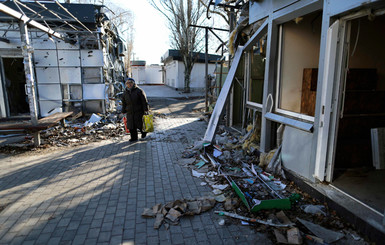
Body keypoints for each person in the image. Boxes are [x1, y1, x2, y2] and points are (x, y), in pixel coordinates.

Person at [121, 78, 149, 142]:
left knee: (139, 124)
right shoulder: (125, 93)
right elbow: (124, 103)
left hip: (138, 111)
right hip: (130, 112)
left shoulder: (139, 91)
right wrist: (123, 111)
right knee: (131, 126)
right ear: (126, 84)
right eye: (128, 83)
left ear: (134, 83)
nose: (129, 84)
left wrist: (146, 109)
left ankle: (144, 133)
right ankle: (134, 137)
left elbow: (144, 101)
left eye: (131, 83)